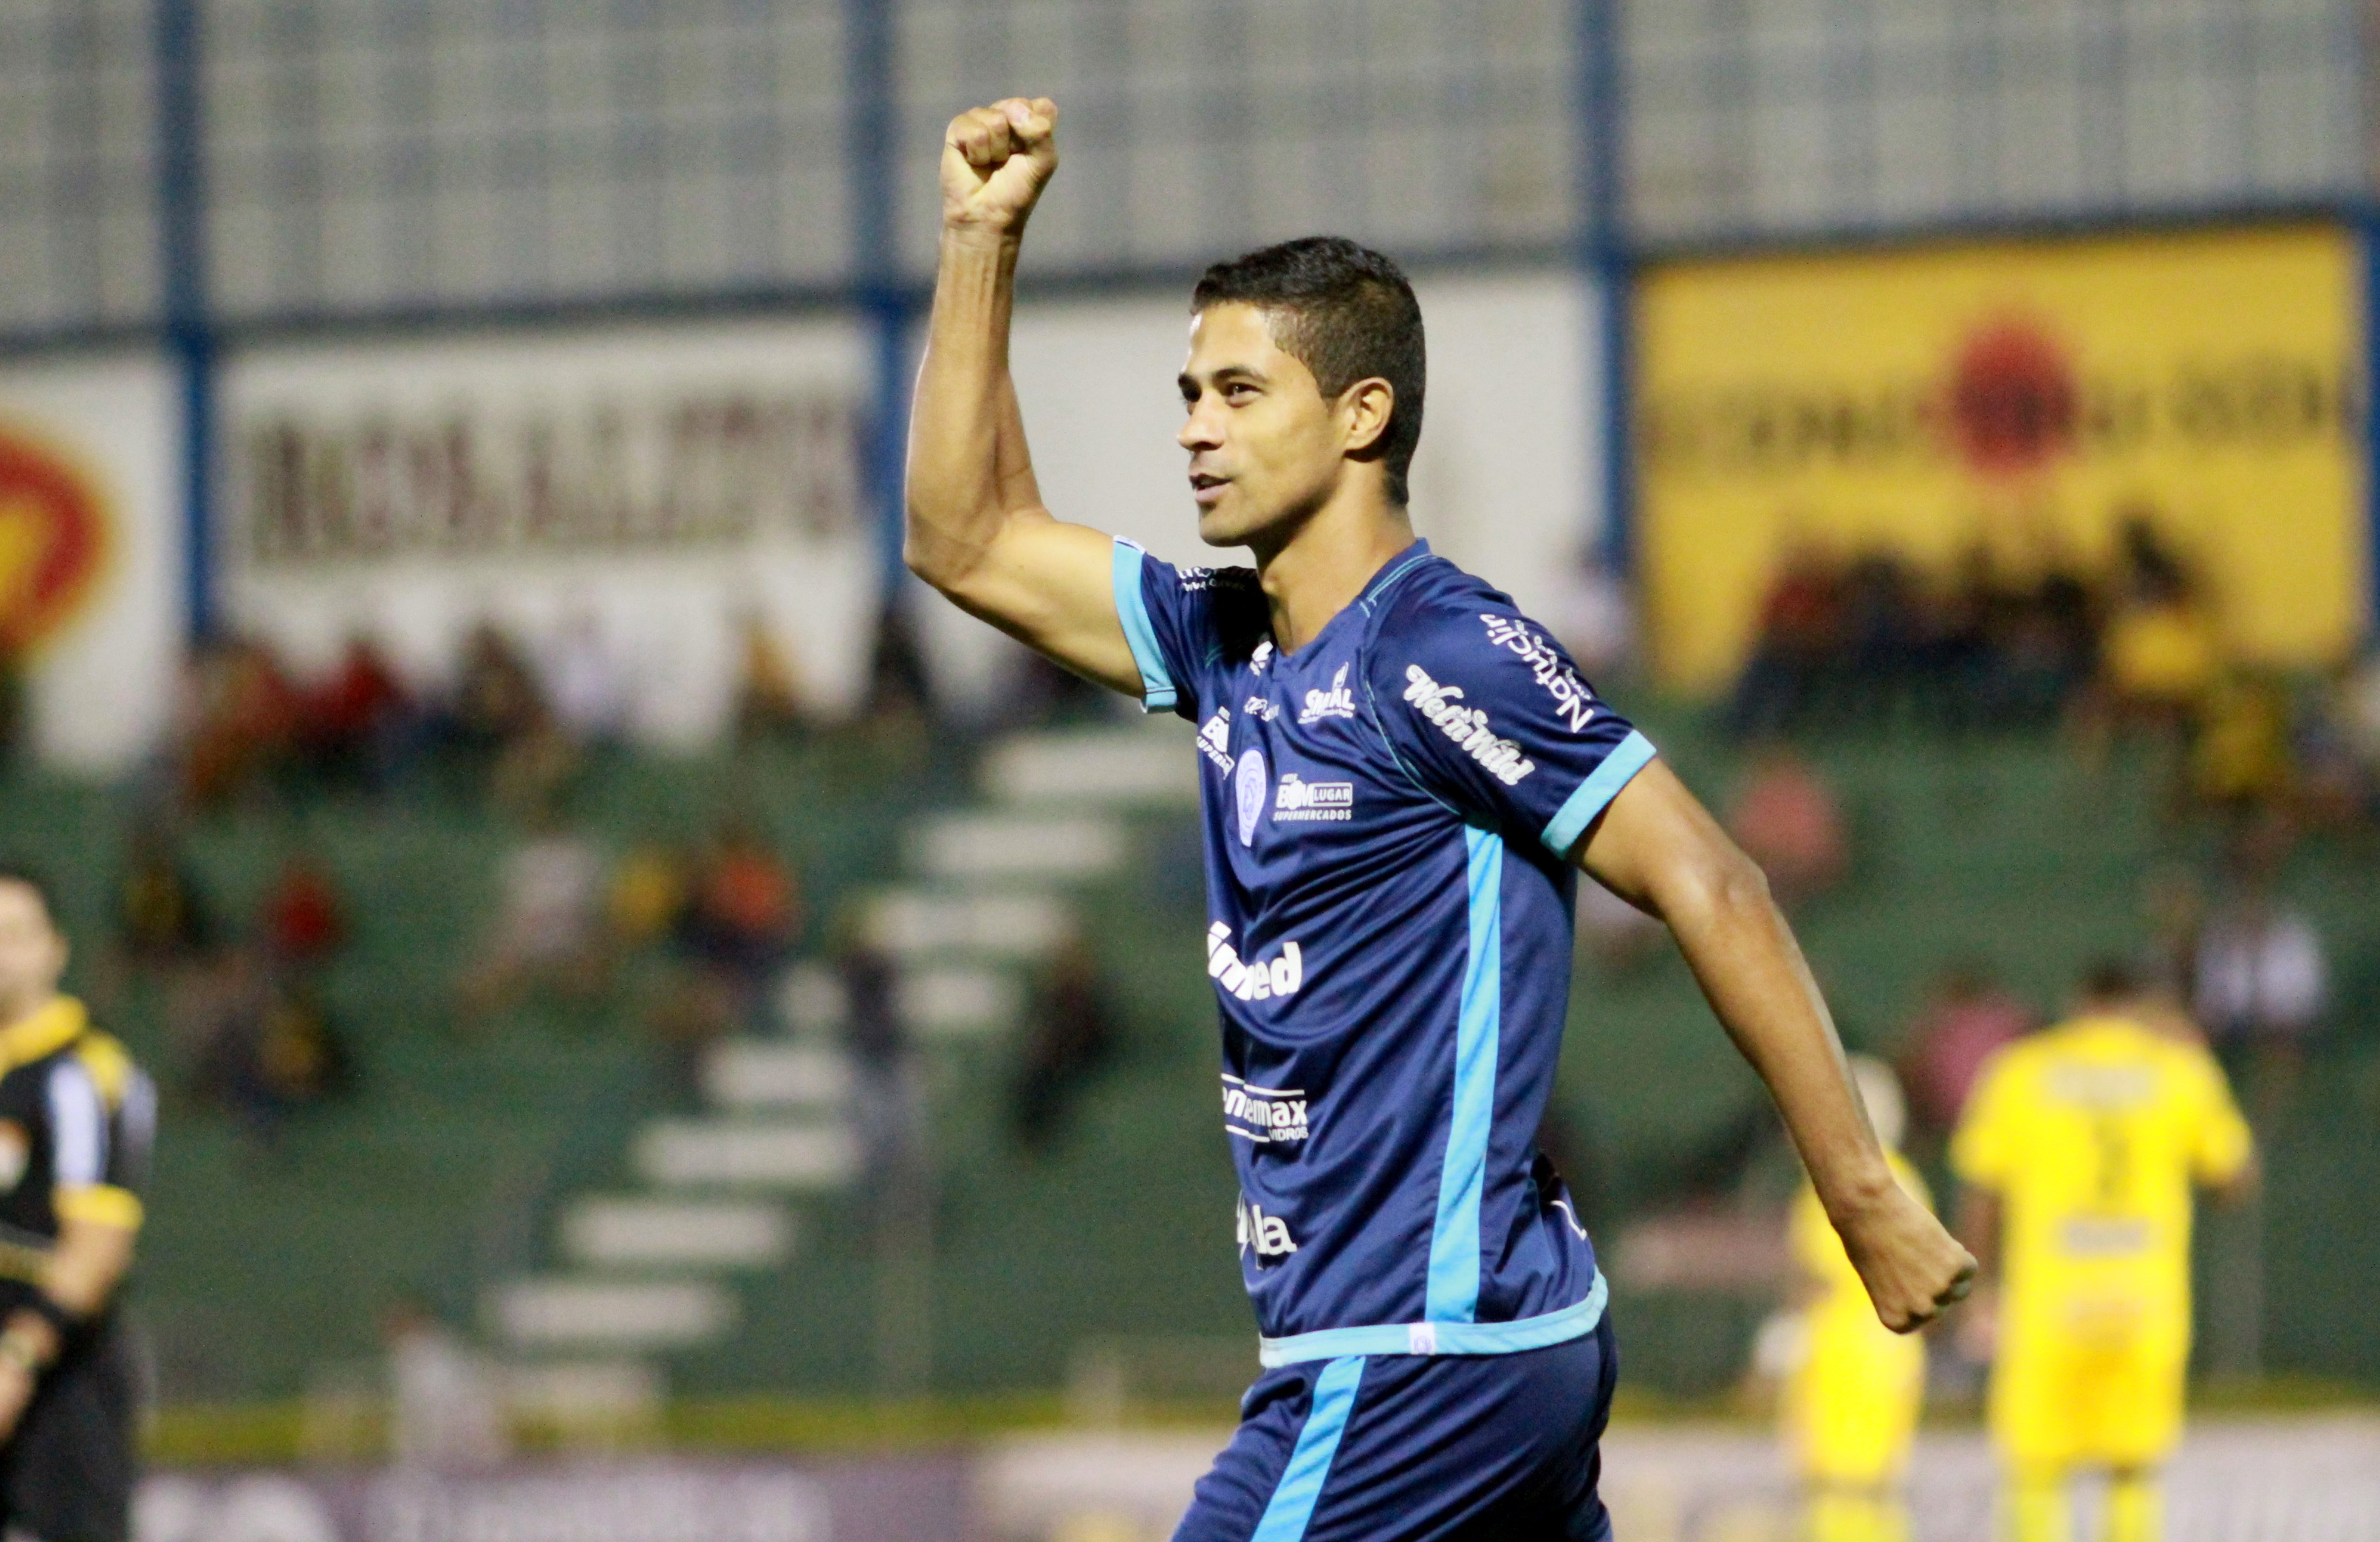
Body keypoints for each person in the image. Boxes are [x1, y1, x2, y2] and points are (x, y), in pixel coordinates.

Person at [903, 97, 1972, 1541]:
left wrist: (1861, 1195)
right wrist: (979, 239)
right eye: (1189, 393)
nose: (1195, 428)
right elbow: (963, 536)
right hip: (1455, 1340)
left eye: (1238, 393)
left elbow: (1711, 879)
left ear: (1362, 415)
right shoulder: (1228, 646)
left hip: (1419, 1353)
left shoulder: (1442, 652)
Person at [1952, 962, 2256, 1542]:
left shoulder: (2022, 1070)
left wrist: (1978, 1289)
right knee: (2133, 1470)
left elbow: (1983, 1192)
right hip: (2145, 1303)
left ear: (2078, 1003)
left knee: (2036, 1469)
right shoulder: (2178, 1070)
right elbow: (2234, 1181)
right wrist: (2198, 1058)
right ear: (2140, 1006)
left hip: (2048, 1304)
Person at [0, 868, 157, 1542]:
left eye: (15, 934)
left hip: (61, 1372)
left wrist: (17, 1357)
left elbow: (97, 1246)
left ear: (55, 949)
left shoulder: (84, 1073)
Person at [1780, 1058, 1931, 1542]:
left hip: (1845, 1348)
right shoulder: (1906, 1178)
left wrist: (1787, 1336)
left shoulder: (1840, 1182)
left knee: (1836, 1490)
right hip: (1897, 1346)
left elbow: (1819, 1277)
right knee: (1878, 1491)